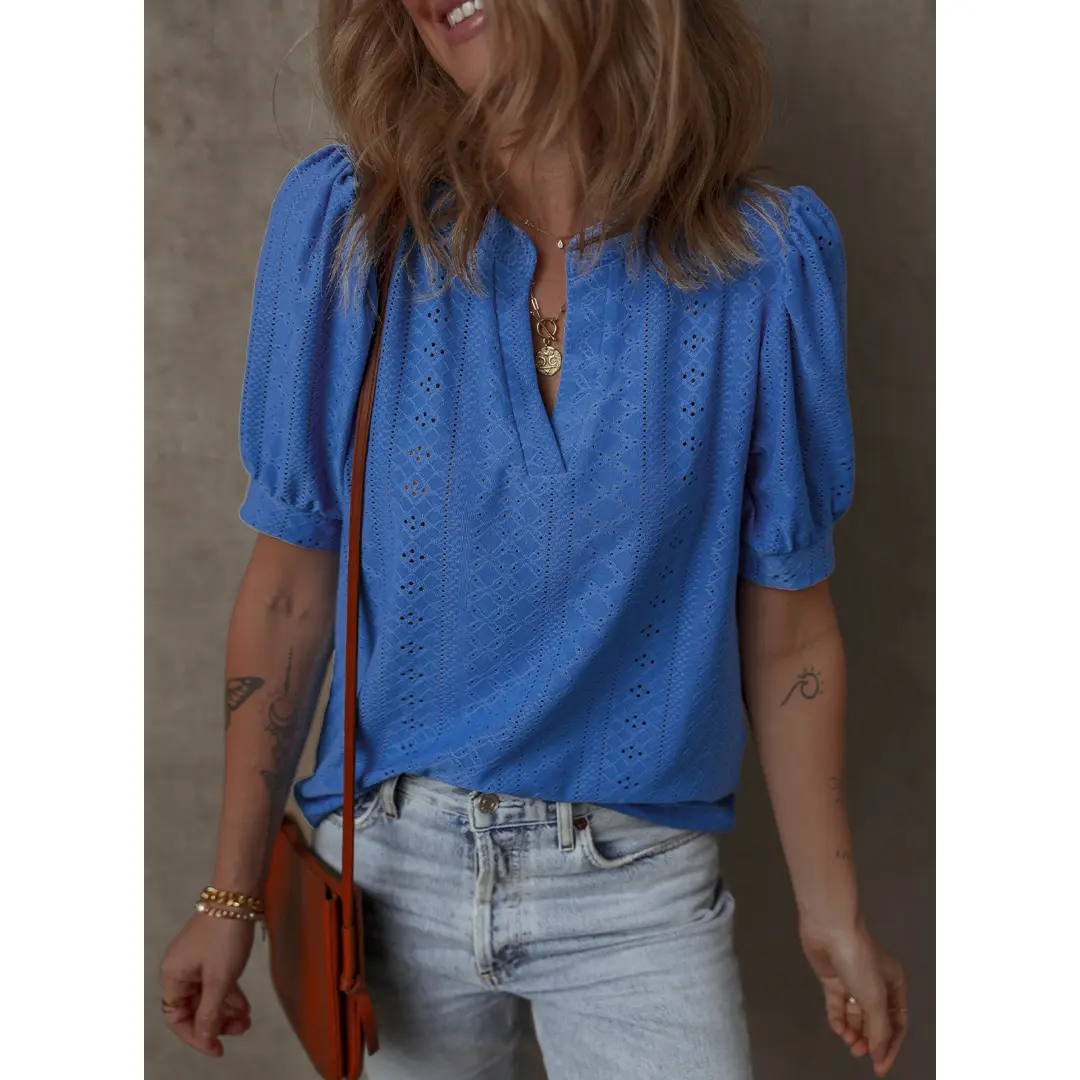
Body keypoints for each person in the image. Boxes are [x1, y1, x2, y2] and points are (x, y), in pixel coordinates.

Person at [159, 1, 908, 1077]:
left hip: (637, 889)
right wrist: (229, 896)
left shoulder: (759, 265)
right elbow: (288, 589)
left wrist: (833, 912)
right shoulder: (354, 232)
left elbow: (789, 632)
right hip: (390, 874)